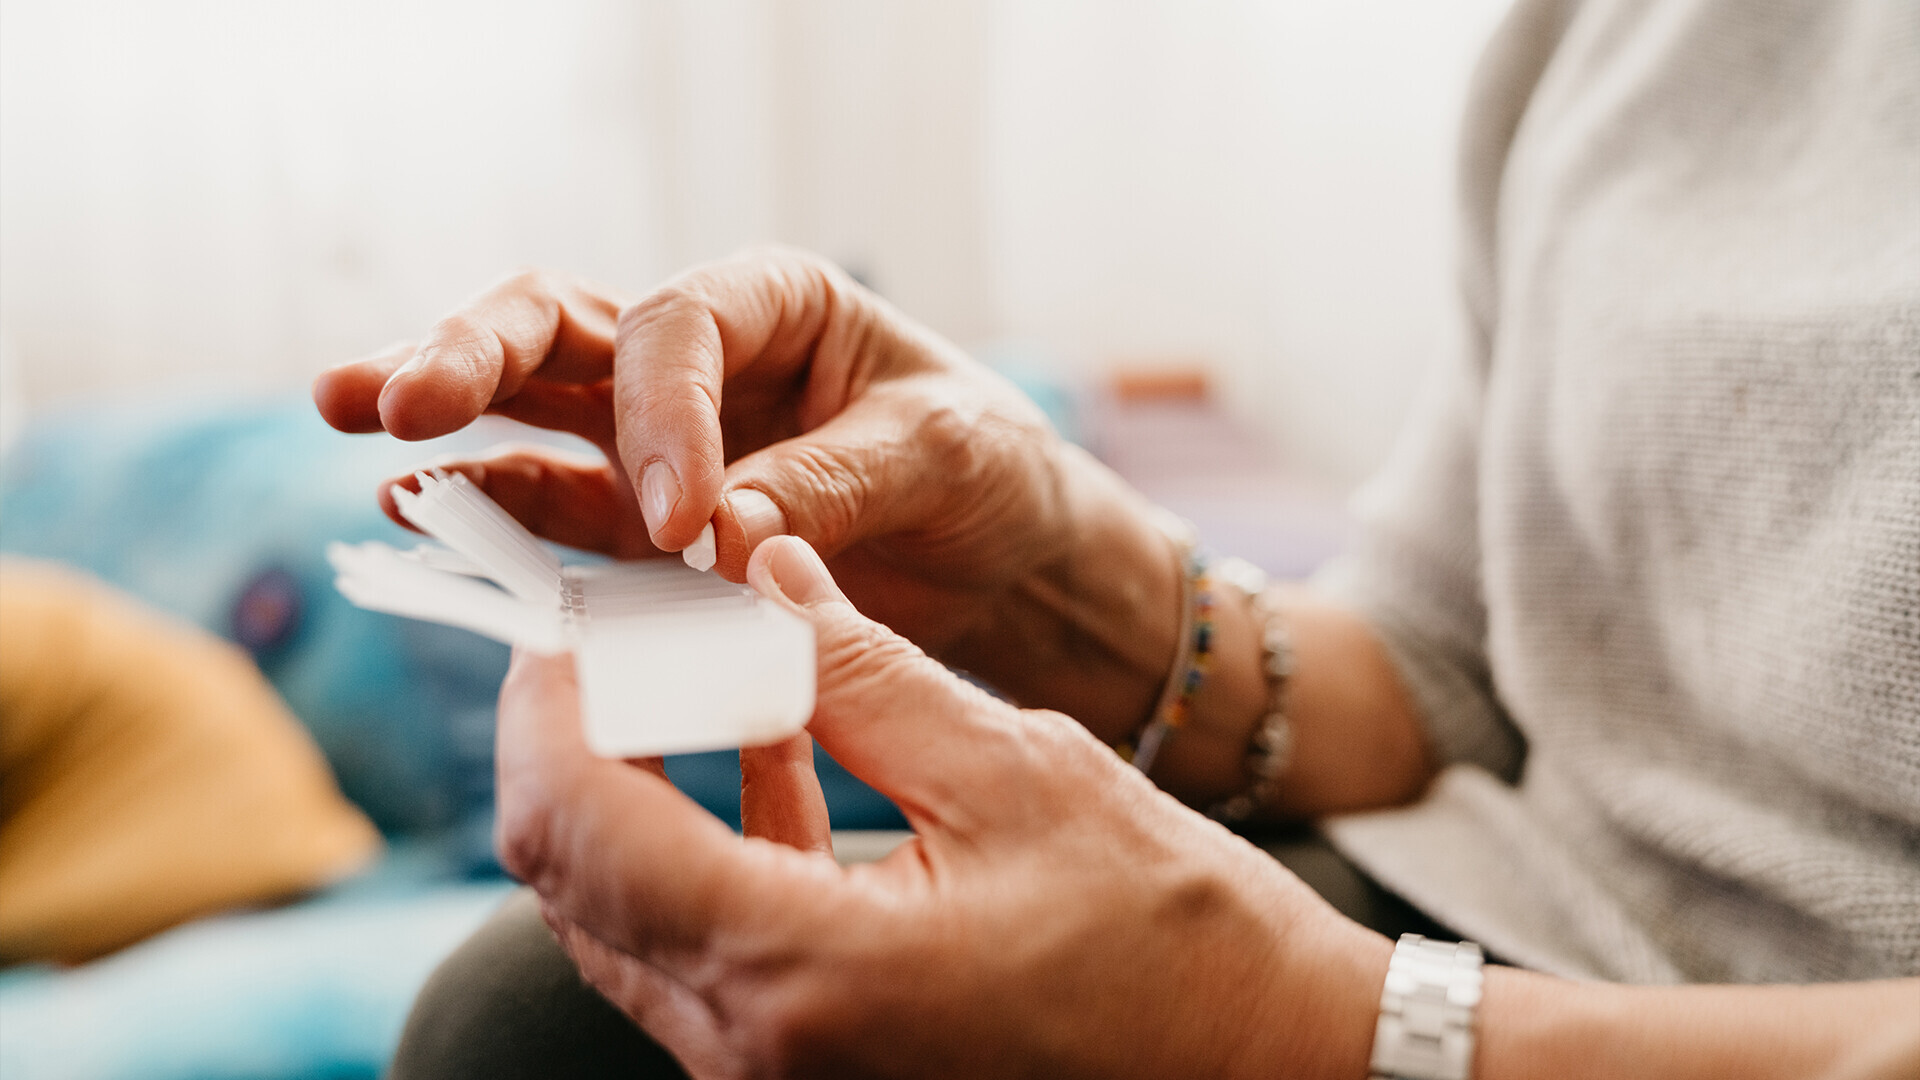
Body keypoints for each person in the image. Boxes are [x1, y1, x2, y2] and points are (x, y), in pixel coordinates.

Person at [313, 0, 1920, 1076]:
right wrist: (1059, 571)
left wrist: (1304, 1028)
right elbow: (1455, 666)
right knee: (533, 1028)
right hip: (1481, 924)